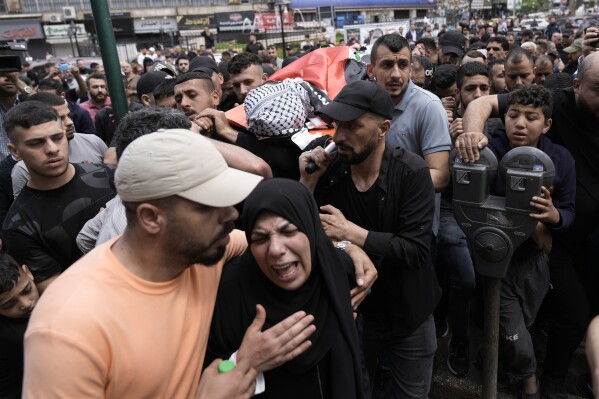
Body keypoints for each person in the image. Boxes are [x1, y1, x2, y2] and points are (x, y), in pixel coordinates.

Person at [22, 129, 317, 398]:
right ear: (151, 218)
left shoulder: (203, 249)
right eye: (209, 205)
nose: (230, 214)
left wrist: (347, 247)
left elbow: (269, 242)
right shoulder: (67, 329)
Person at [452, 48, 599, 397]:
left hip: (554, 249)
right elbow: (482, 104)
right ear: (577, 85)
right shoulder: (504, 141)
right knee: (511, 320)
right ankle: (531, 377)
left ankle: (539, 370)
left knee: (546, 316)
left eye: (530, 118)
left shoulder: (559, 159)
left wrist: (554, 218)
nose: (520, 123)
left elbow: (565, 207)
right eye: (514, 115)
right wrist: (471, 139)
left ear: (545, 125)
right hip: (509, 248)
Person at [299, 80, 441, 398]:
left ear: (383, 128)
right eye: (337, 125)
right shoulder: (330, 170)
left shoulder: (412, 173)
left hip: (408, 314)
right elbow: (306, 233)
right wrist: (307, 182)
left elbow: (417, 251)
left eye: (353, 126)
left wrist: (353, 233)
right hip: (352, 313)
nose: (339, 136)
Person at [206, 178, 369, 398]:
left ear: (310, 229)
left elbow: (356, 356)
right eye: (260, 237)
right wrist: (243, 362)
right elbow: (207, 376)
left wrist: (350, 247)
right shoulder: (228, 297)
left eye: (289, 231)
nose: (275, 249)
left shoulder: (340, 271)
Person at [76, 107, 272, 253]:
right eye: (204, 207)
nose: (230, 214)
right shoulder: (122, 251)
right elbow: (258, 170)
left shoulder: (126, 201)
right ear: (150, 218)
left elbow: (84, 238)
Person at [1, 102, 115, 293]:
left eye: (57, 137)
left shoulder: (109, 176)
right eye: (36, 143)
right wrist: (100, 244)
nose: (52, 149)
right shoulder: (20, 227)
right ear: (15, 151)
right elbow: (60, 294)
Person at [11, 92, 107, 199]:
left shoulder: (94, 142)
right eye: (60, 118)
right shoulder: (23, 170)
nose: (70, 122)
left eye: (69, 115)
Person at [0, 253, 40, 399]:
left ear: (28, 272)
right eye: (9, 305)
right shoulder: (19, 337)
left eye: (27, 290)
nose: (26, 304)